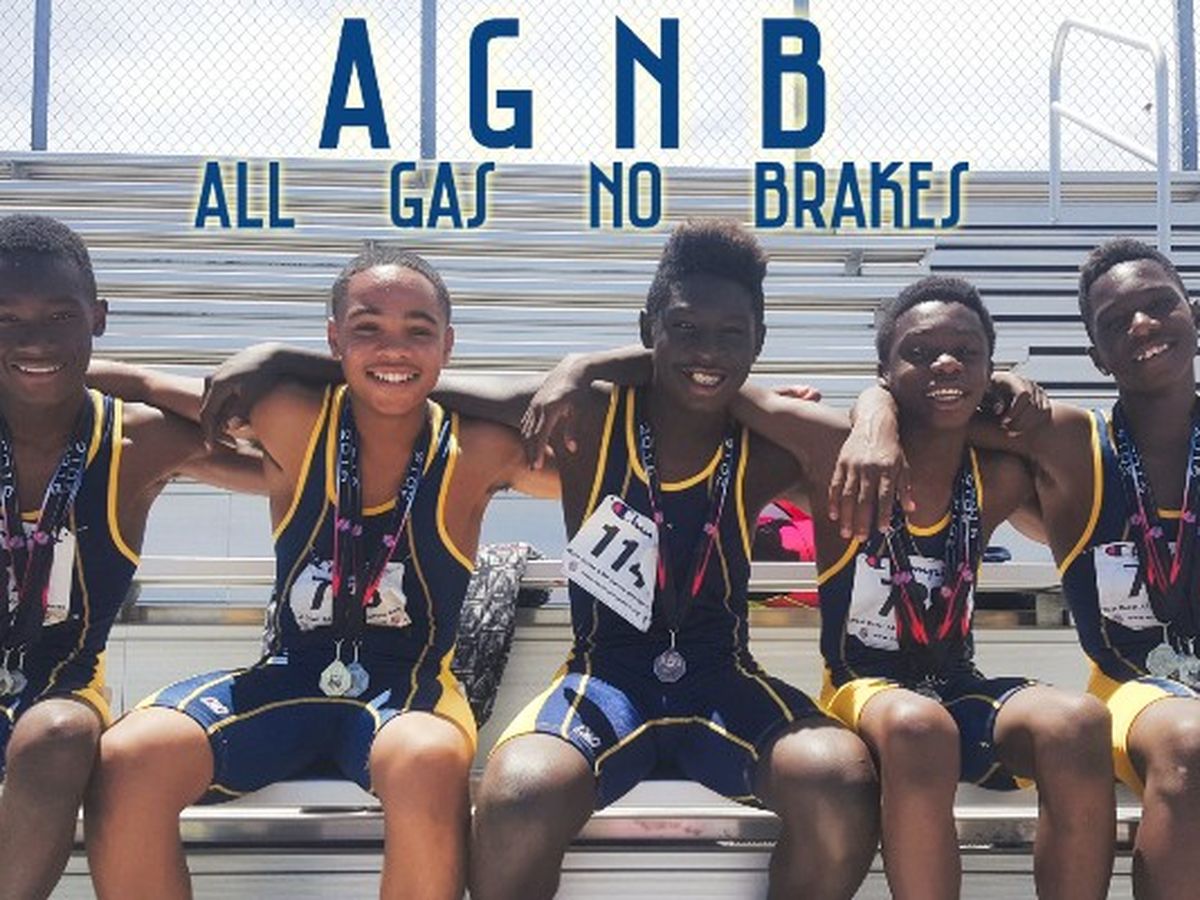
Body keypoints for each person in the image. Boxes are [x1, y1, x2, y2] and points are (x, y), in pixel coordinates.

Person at [83, 245, 557, 900]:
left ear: (448, 346)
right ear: (334, 339)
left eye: (418, 333)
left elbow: (584, 438)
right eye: (368, 329)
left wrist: (305, 361)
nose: (393, 349)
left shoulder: (476, 447)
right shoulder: (292, 418)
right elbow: (140, 385)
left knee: (425, 761)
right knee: (129, 756)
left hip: (409, 687)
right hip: (289, 675)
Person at [471, 219, 890, 900]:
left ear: (759, 342)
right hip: (605, 676)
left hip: (721, 677)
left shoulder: (764, 443)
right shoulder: (586, 418)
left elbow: (868, 437)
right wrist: (582, 368)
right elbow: (417, 388)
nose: (707, 352)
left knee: (839, 783)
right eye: (685, 328)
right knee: (519, 797)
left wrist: (875, 410)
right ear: (649, 329)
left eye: (732, 335)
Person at [749, 275, 1115, 900]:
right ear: (884, 370)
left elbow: (1038, 442)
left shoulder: (998, 478)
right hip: (863, 687)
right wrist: (871, 410)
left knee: (1078, 722)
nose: (945, 363)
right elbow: (733, 403)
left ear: (988, 369)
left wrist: (997, 390)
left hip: (956, 685)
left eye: (967, 353)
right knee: (922, 728)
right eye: (918, 353)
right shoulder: (838, 464)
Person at [0, 213, 263, 900]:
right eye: (8, 320)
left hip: (58, 691)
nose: (34, 339)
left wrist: (141, 381)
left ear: (98, 318)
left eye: (60, 317)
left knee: (57, 734)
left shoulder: (134, 440)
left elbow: (290, 458)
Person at [959, 238, 1200, 898]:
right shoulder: (1071, 443)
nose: (1142, 324)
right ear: (1097, 355)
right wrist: (999, 385)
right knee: (1192, 743)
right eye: (1116, 321)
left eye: (1159, 304)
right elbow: (931, 403)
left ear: (1194, 314)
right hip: (1137, 688)